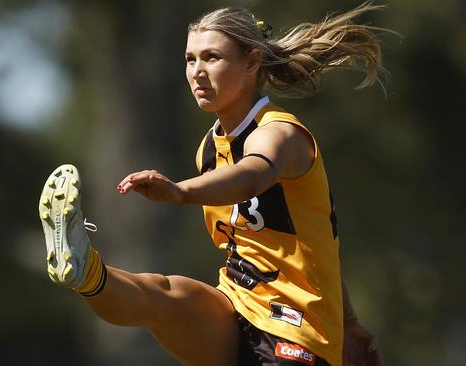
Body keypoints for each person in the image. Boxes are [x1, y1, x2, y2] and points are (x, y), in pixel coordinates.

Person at [39, 3, 387, 365]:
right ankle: (83, 268)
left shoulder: (280, 133)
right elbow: (318, 245)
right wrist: (350, 321)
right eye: (190, 60)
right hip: (237, 304)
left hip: (295, 329)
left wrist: (180, 191)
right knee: (164, 294)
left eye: (212, 58)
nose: (197, 73)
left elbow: (253, 176)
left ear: (251, 63)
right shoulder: (209, 147)